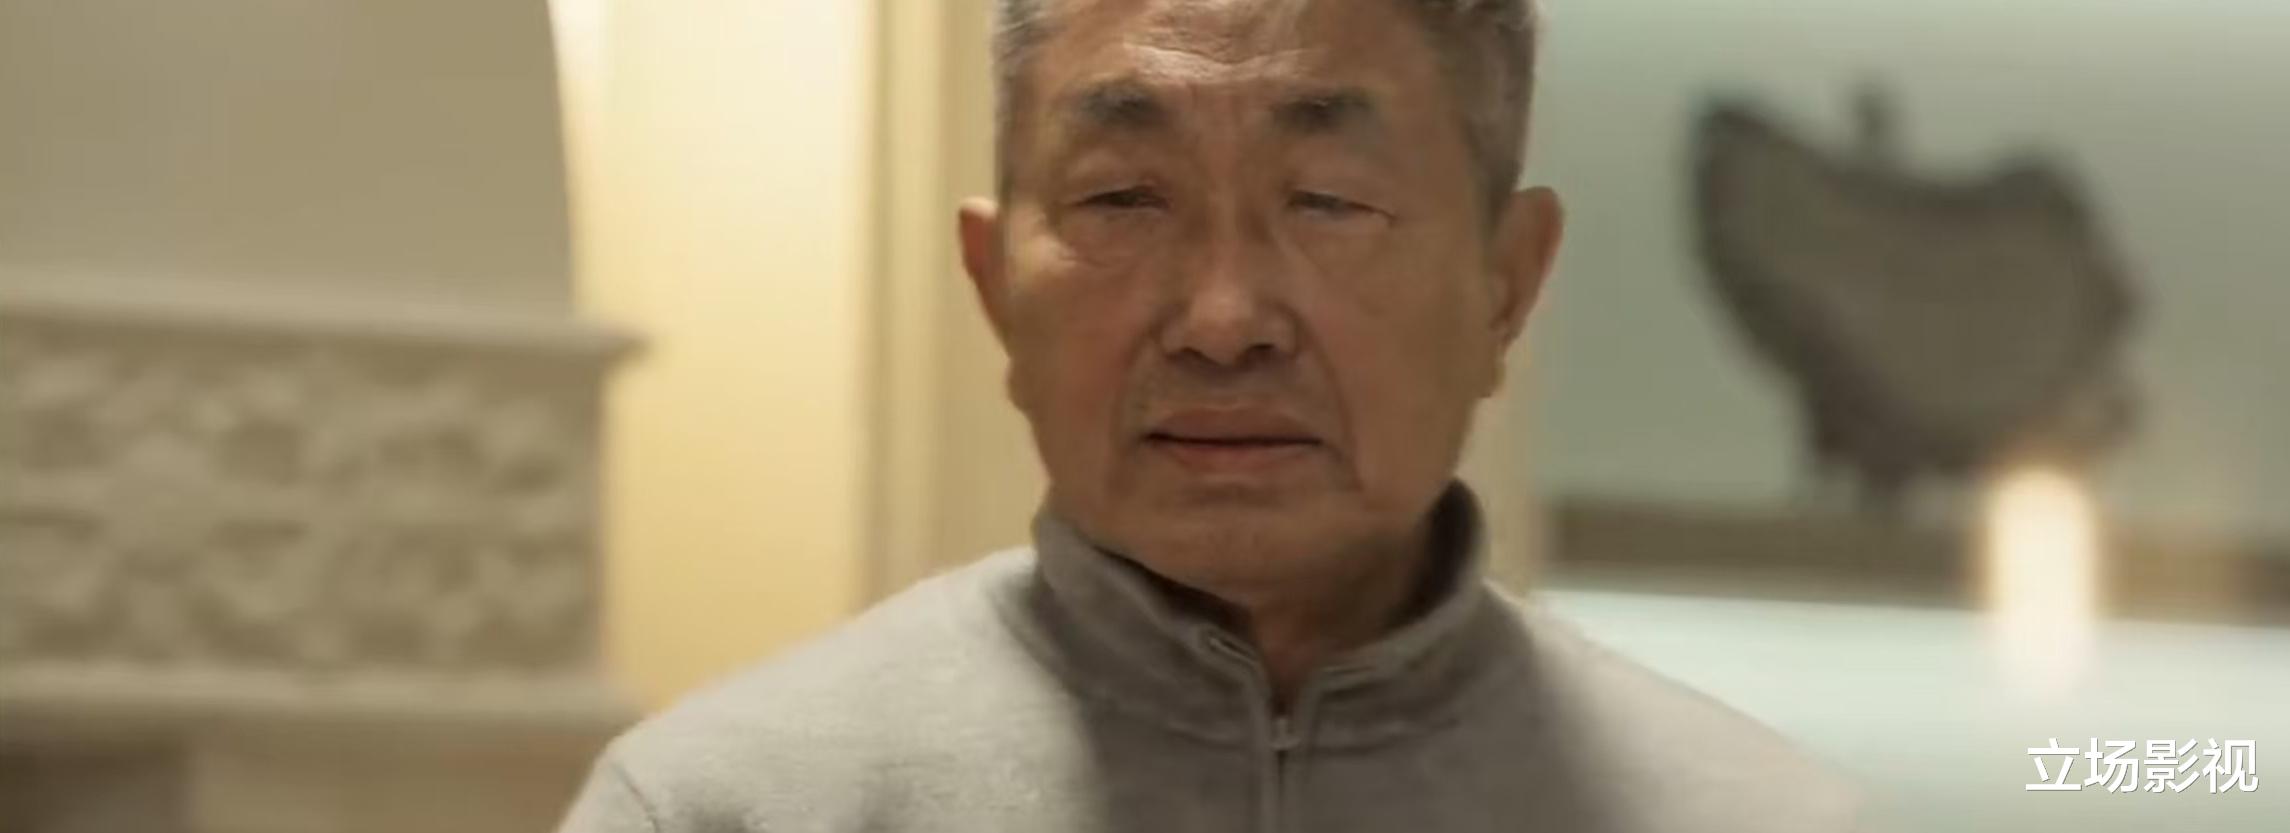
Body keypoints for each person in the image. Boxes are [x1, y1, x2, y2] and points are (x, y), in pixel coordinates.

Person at [559, 0, 1864, 830]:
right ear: (993, 283)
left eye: (1329, 201)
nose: (1224, 318)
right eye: (1122, 198)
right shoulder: (724, 807)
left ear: (1505, 283)